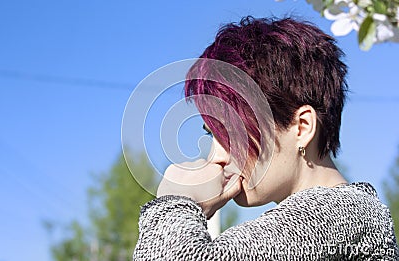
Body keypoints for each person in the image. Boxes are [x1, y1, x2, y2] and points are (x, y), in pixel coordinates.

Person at [133, 16, 399, 260]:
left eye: (231, 132)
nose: (216, 156)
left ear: (302, 127)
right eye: (210, 133)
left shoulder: (344, 212)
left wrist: (175, 203)